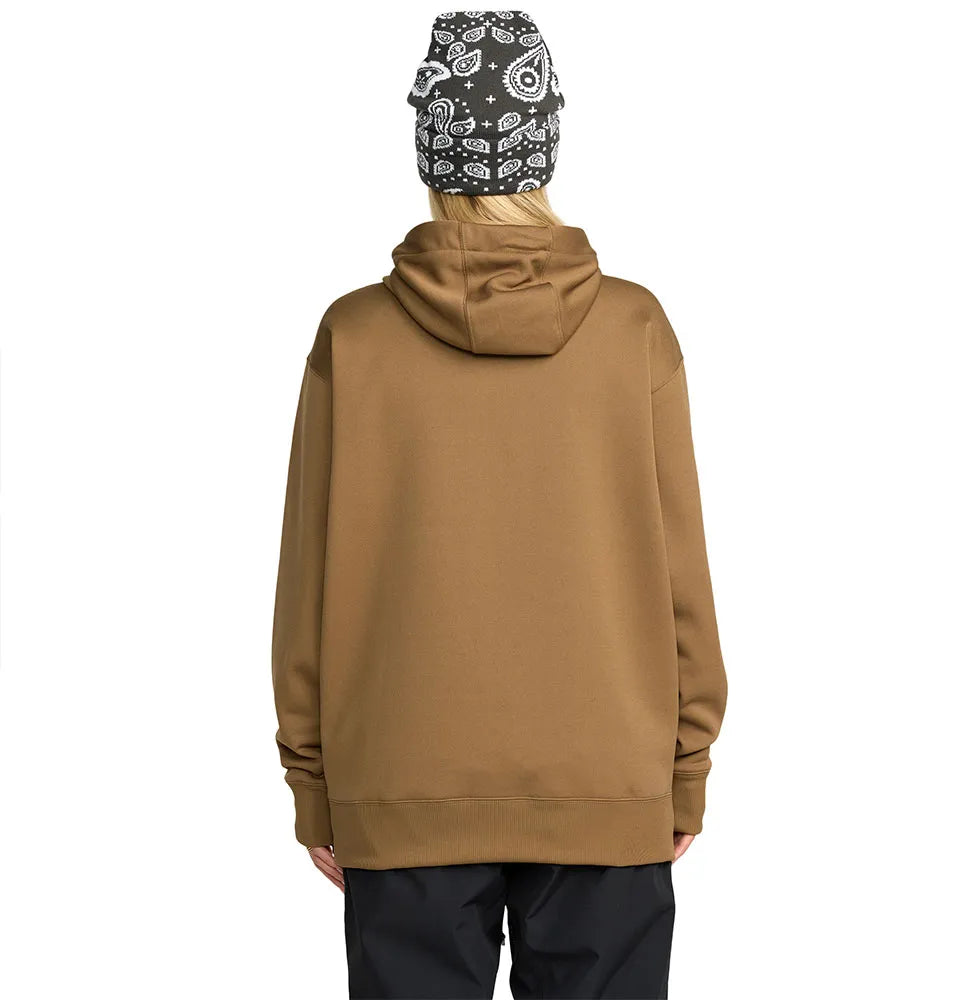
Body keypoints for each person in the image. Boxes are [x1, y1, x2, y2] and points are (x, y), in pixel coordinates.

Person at [271, 11, 727, 999]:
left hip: (401, 782)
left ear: (427, 141)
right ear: (546, 137)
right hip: (605, 782)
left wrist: (315, 782)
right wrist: (683, 766)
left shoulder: (354, 337)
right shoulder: (633, 328)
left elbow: (306, 581)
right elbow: (679, 568)